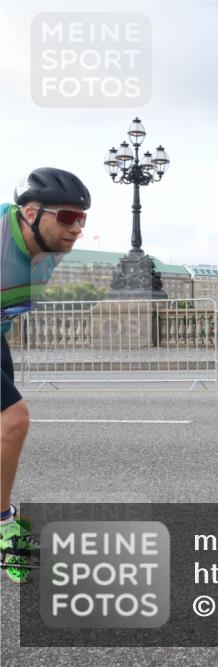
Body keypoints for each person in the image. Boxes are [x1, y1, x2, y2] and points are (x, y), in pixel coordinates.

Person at [1, 168, 90, 582]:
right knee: (12, 421)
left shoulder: (51, 251)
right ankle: (3, 527)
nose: (78, 229)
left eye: (84, 219)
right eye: (69, 218)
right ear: (32, 212)